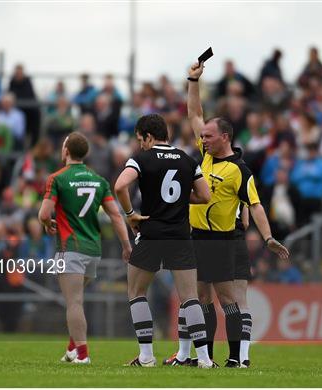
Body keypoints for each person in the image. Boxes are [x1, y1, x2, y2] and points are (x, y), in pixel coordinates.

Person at [166, 62, 289, 368]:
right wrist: (193, 80)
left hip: (221, 240)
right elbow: (194, 113)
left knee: (227, 300)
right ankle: (205, 357)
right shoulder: (205, 156)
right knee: (201, 298)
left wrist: (268, 237)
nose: (202, 139)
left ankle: (237, 358)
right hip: (196, 237)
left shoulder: (239, 170)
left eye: (208, 136)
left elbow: (256, 204)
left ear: (224, 137)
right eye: (202, 136)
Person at [114, 113, 214, 368]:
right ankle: (203, 358)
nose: (140, 144)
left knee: (136, 292)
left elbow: (119, 186)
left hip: (151, 234)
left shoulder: (141, 159)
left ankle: (146, 356)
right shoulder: (188, 160)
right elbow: (205, 196)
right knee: (190, 297)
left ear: (148, 136)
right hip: (180, 235)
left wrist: (129, 215)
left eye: (140, 139)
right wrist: (181, 201)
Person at [38, 132, 132, 364]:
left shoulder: (57, 178)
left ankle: (82, 354)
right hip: (93, 251)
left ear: (66, 151)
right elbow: (116, 216)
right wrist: (126, 245)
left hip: (70, 247)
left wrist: (46, 223)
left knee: (74, 302)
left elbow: (43, 213)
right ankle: (72, 348)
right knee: (76, 300)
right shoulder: (99, 180)